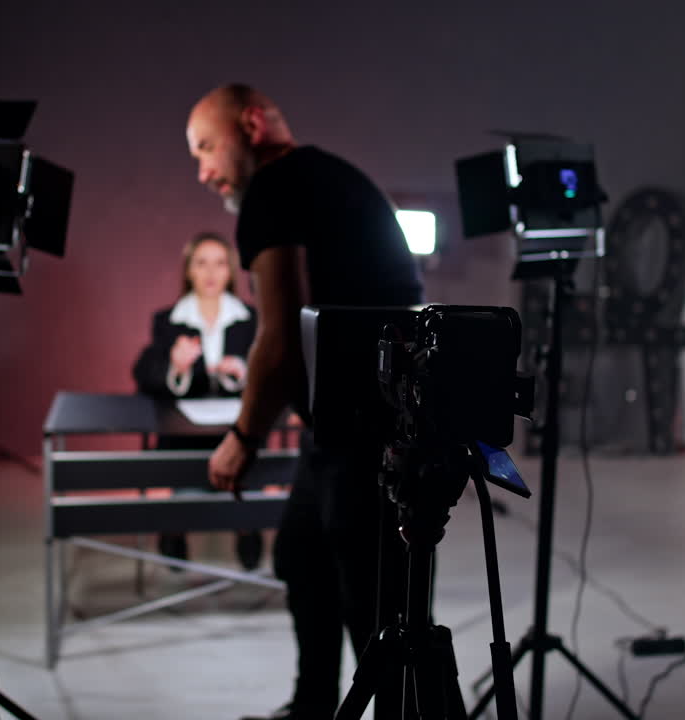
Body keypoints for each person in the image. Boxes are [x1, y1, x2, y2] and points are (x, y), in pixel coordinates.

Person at [187, 84, 423, 720]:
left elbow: (281, 333)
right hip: (364, 423)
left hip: (361, 431)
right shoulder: (325, 175)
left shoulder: (273, 187)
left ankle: (384, 713)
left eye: (207, 147)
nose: (204, 170)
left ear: (253, 124)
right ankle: (313, 706)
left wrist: (244, 435)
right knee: (301, 554)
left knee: (367, 598)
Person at [132, 231, 263, 570]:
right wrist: (177, 369)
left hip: (234, 432)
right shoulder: (169, 320)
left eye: (220, 264)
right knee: (182, 468)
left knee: (247, 458)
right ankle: (175, 530)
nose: (210, 273)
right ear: (188, 270)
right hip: (183, 436)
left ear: (231, 271)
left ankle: (248, 529)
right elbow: (144, 374)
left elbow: (271, 375)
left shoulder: (250, 320)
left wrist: (245, 373)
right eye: (201, 263)